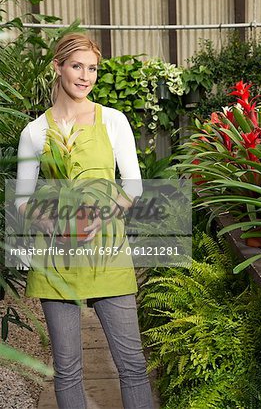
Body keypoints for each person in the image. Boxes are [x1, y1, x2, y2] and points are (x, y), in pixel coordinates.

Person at [15, 33, 154, 409]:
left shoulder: (113, 120)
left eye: (92, 68)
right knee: (68, 370)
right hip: (56, 261)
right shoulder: (34, 132)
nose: (85, 76)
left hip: (108, 253)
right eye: (77, 66)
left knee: (132, 366)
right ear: (58, 67)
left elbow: (134, 185)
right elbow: (23, 201)